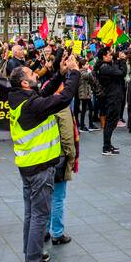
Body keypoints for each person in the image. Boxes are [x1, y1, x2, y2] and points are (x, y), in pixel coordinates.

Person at [8, 56, 80, 262]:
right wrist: (75, 73)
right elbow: (63, 97)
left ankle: (32, 252)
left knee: (31, 213)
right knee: (40, 214)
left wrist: (59, 73)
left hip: (28, 165)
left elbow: (47, 92)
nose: (35, 75)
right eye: (31, 74)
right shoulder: (32, 106)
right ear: (24, 83)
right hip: (39, 167)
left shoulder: (23, 99)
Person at [51, 91, 79, 246]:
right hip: (59, 156)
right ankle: (57, 232)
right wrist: (72, 157)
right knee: (58, 197)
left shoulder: (43, 103)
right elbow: (68, 137)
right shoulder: (62, 107)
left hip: (42, 156)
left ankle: (43, 231)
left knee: (45, 197)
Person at [95, 47, 126, 155]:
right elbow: (122, 73)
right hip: (112, 97)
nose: (111, 56)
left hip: (114, 96)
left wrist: (118, 60)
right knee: (110, 122)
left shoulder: (106, 66)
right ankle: (106, 147)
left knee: (112, 122)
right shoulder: (104, 68)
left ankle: (108, 144)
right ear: (104, 56)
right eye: (109, 54)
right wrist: (122, 61)